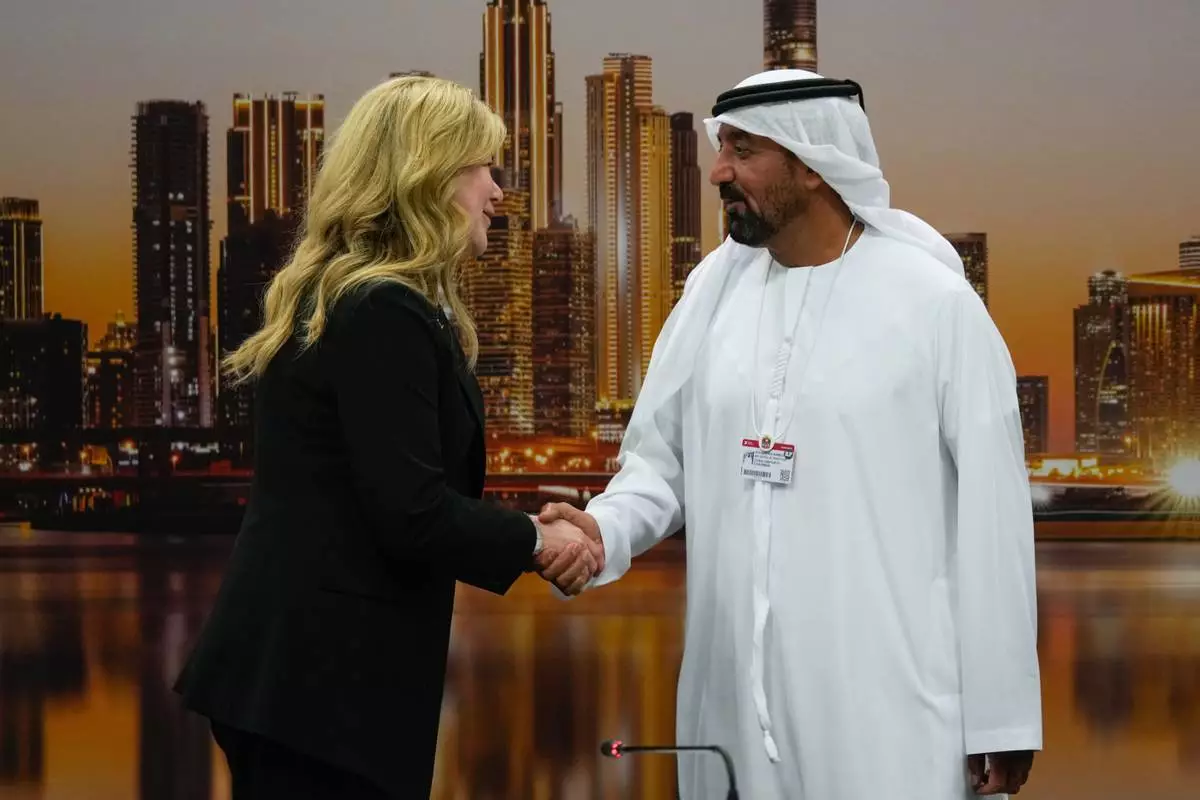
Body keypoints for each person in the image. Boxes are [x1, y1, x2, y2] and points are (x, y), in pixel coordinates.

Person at [539, 69, 1043, 799]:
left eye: (742, 150)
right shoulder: (711, 291)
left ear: (812, 163)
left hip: (889, 706)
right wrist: (602, 530)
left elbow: (995, 520)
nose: (718, 171)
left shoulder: (936, 304)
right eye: (721, 148)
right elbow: (659, 463)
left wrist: (1001, 716)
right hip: (731, 702)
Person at [173, 76, 602, 799]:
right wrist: (536, 540)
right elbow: (411, 511)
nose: (499, 192)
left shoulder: (347, 298)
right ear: (425, 177)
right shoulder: (382, 311)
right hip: (324, 694)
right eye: (484, 169)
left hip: (298, 685)